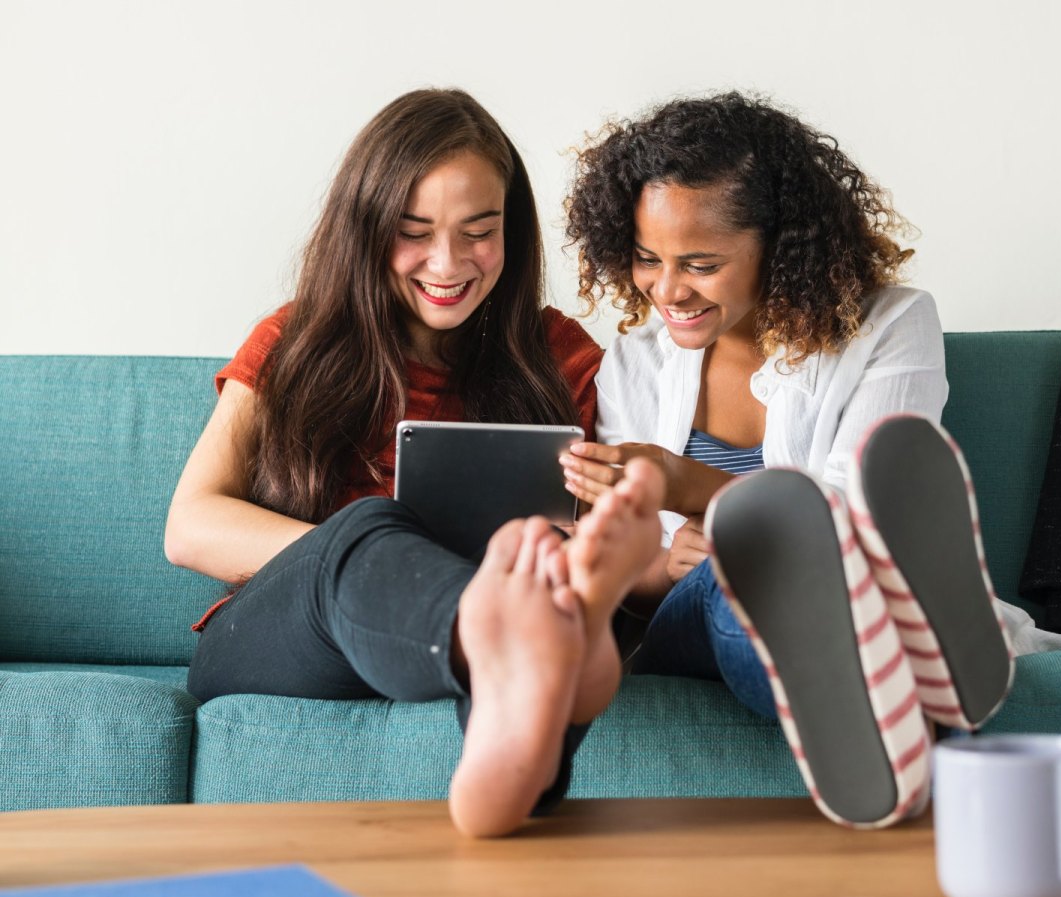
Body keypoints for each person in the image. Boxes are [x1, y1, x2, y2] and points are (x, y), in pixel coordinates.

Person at [164, 88, 663, 838]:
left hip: (480, 620)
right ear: (366, 229)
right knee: (372, 527)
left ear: (512, 231)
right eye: (415, 232)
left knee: (551, 558)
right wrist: (387, 557)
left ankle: (519, 757)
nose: (448, 262)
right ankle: (498, 623)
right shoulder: (293, 339)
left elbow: (599, 524)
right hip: (288, 633)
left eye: (479, 232)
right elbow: (190, 526)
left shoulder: (560, 356)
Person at [560, 92, 1015, 828]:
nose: (667, 289)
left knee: (778, 564)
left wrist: (695, 488)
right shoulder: (634, 363)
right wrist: (662, 562)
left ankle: (897, 705)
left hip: (851, 580)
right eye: (648, 260)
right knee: (733, 581)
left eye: (701, 263)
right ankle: (923, 674)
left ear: (779, 244)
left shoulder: (890, 326)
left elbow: (848, 518)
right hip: (700, 612)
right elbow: (623, 570)